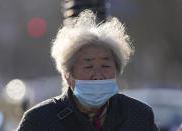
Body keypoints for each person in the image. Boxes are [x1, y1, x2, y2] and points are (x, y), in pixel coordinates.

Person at [17, 10, 159, 131]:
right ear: (68, 75)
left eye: (106, 66)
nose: (98, 76)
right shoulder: (39, 120)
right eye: (88, 66)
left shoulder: (139, 115)